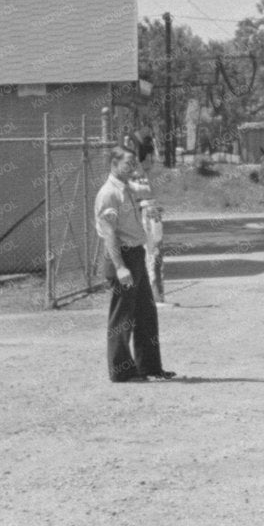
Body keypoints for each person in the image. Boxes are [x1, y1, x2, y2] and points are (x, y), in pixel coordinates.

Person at [95, 151, 174, 383]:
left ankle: (149, 366)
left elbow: (138, 205)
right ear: (113, 163)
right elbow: (109, 233)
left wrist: (149, 211)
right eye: (127, 163)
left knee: (146, 313)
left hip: (135, 254)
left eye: (133, 163)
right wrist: (120, 267)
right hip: (122, 256)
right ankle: (121, 371)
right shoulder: (109, 193)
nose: (132, 167)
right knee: (123, 317)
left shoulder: (125, 188)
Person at [139, 199, 167, 304]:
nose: (155, 211)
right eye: (152, 208)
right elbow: (149, 234)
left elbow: (157, 234)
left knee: (157, 271)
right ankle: (152, 298)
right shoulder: (145, 220)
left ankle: (158, 298)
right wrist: (152, 247)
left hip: (156, 246)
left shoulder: (156, 219)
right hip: (150, 247)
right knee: (152, 272)